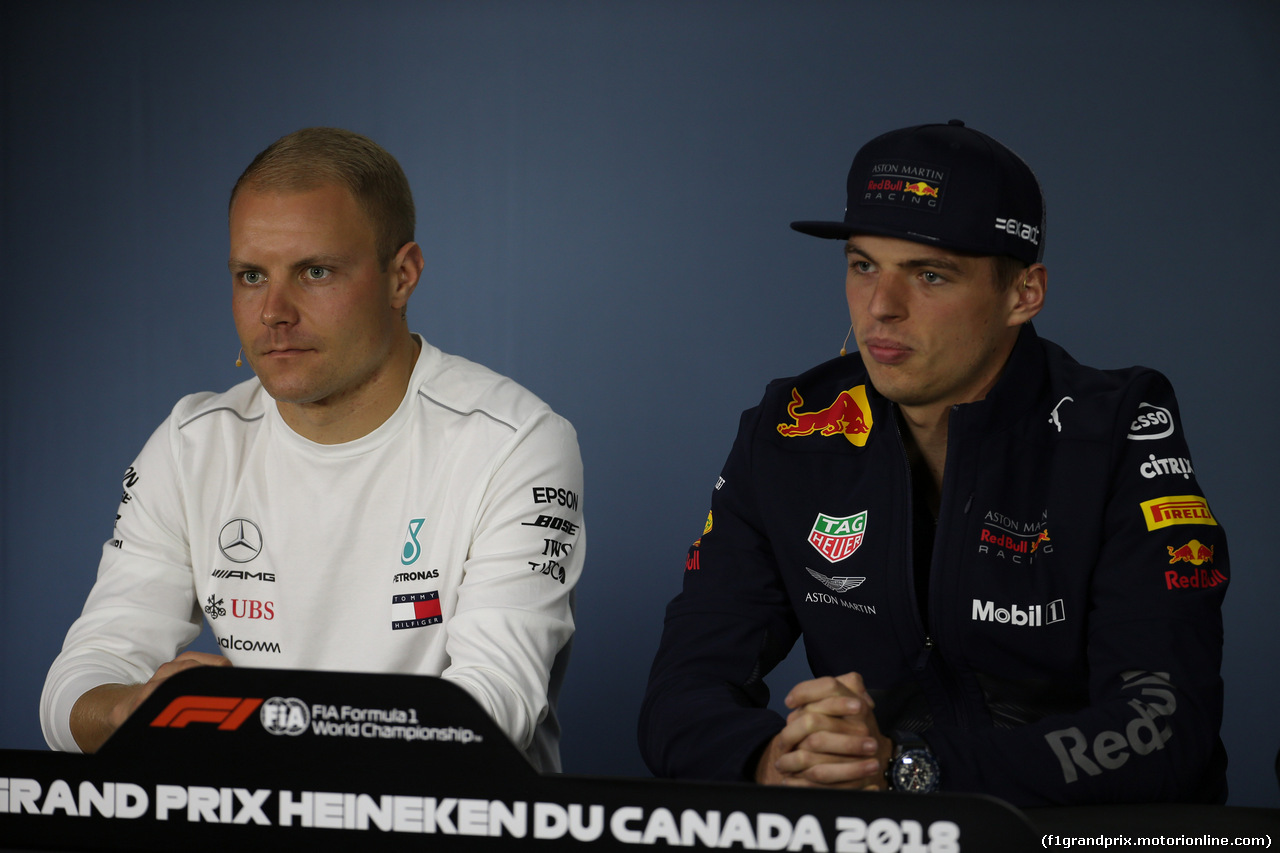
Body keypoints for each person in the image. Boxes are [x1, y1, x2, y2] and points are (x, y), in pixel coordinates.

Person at [638, 120, 1228, 806]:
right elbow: (680, 691)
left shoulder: (1119, 428)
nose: (881, 308)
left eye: (929, 274)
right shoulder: (790, 429)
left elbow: (1165, 727)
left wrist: (912, 767)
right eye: (863, 265)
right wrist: (773, 757)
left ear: (1023, 294)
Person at [40, 127, 585, 773]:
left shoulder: (514, 441)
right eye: (251, 275)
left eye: (315, 271)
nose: (274, 310)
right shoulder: (193, 444)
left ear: (401, 275)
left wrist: (256, 725)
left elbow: (491, 710)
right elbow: (72, 692)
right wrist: (135, 710)